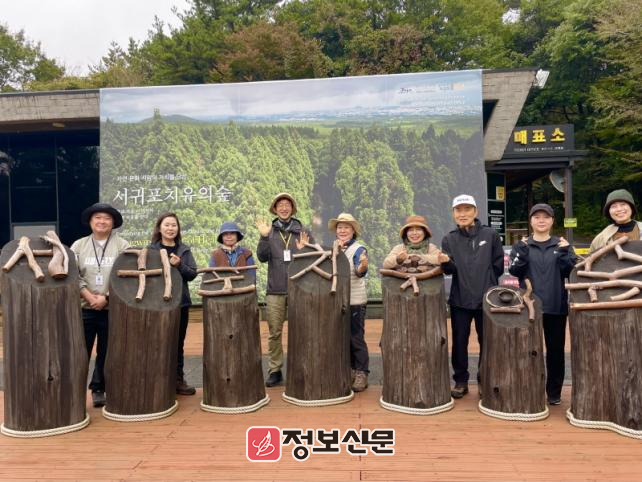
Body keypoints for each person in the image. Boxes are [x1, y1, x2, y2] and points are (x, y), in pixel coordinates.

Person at [508, 203, 577, 405]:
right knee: (527, 351)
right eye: (537, 217)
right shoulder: (522, 245)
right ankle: (528, 389)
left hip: (556, 307)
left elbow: (571, 272)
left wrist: (564, 253)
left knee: (555, 353)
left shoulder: (562, 244)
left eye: (546, 217)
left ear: (552, 221)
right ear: (530, 221)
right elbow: (514, 270)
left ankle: (554, 393)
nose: (541, 220)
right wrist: (522, 252)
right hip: (528, 308)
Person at [440, 195, 504, 399]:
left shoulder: (490, 234)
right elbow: (449, 270)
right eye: (458, 210)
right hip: (460, 299)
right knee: (459, 342)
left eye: (467, 209)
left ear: (475, 212)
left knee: (488, 341)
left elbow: (498, 266)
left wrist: (486, 282)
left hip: (486, 300)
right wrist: (445, 262)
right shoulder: (449, 239)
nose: (463, 214)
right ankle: (460, 381)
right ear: (453, 214)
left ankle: (485, 379)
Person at [71, 203, 129, 408]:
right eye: (98, 218)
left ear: (113, 223)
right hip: (84, 307)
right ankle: (74, 392)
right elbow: (72, 274)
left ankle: (98, 388)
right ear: (90, 221)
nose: (102, 222)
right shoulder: (78, 246)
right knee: (80, 351)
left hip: (112, 308)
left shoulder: (122, 245)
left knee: (106, 351)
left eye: (107, 218)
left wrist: (106, 297)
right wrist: (88, 296)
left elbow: (125, 275)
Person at [256, 192, 314, 387]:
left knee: (302, 331)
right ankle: (275, 370)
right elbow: (262, 257)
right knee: (274, 332)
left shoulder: (303, 230)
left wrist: (305, 249)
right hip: (275, 290)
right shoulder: (269, 231)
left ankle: (302, 367)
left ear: (293, 208)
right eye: (279, 205)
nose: (283, 208)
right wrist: (264, 237)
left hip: (300, 288)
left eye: (287, 204)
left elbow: (315, 257)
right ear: (275, 209)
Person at [149, 212, 198, 396]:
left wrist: (179, 265)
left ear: (178, 229)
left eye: (173, 225)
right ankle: (157, 380)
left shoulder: (183, 250)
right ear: (159, 228)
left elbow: (192, 274)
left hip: (180, 303)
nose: (170, 228)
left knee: (177, 343)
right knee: (158, 342)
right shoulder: (151, 250)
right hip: (156, 304)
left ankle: (178, 380)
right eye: (167, 225)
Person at [329, 213, 370, 392]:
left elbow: (360, 271)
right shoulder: (334, 247)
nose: (343, 230)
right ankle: (349, 370)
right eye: (340, 227)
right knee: (342, 338)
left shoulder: (359, 249)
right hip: (337, 301)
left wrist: (363, 266)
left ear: (353, 231)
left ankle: (362, 372)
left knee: (356, 338)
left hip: (355, 301)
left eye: (347, 227)